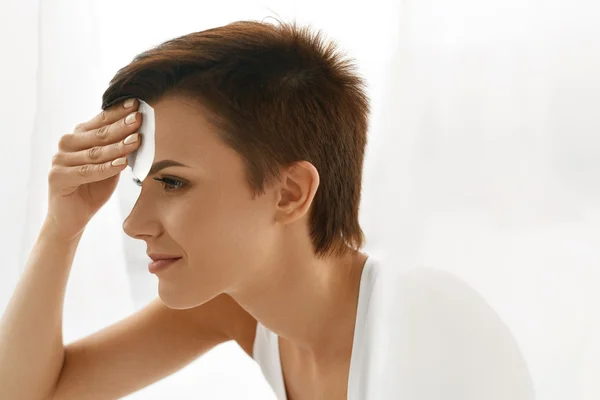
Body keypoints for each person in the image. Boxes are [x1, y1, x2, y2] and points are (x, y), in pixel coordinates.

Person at [0, 19, 535, 400]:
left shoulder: (425, 322)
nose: (135, 224)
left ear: (289, 193)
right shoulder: (236, 306)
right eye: (141, 182)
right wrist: (60, 227)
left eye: (172, 181)